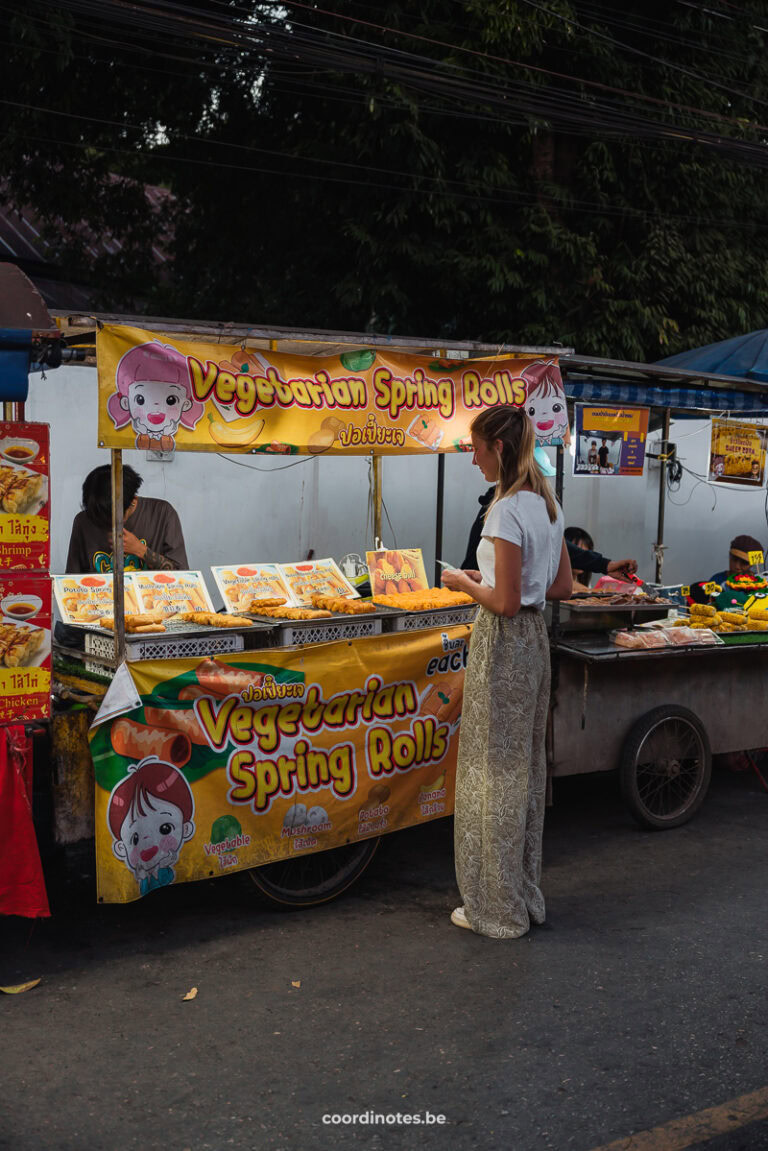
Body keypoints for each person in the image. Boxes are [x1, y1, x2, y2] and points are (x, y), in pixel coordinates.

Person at [441, 405, 573, 939]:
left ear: (498, 446)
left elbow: (505, 603)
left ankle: (494, 909)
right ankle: (523, 895)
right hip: (536, 645)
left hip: (504, 644)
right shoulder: (547, 504)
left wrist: (464, 582)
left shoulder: (505, 510)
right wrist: (489, 576)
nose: (472, 460)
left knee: (491, 772)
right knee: (523, 770)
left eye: (475, 449)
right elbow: (560, 587)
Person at [66, 464, 188, 573]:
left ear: (133, 501)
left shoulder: (163, 513)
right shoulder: (83, 521)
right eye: (99, 518)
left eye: (113, 517)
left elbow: (183, 577)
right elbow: (72, 580)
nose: (107, 523)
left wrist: (141, 550)